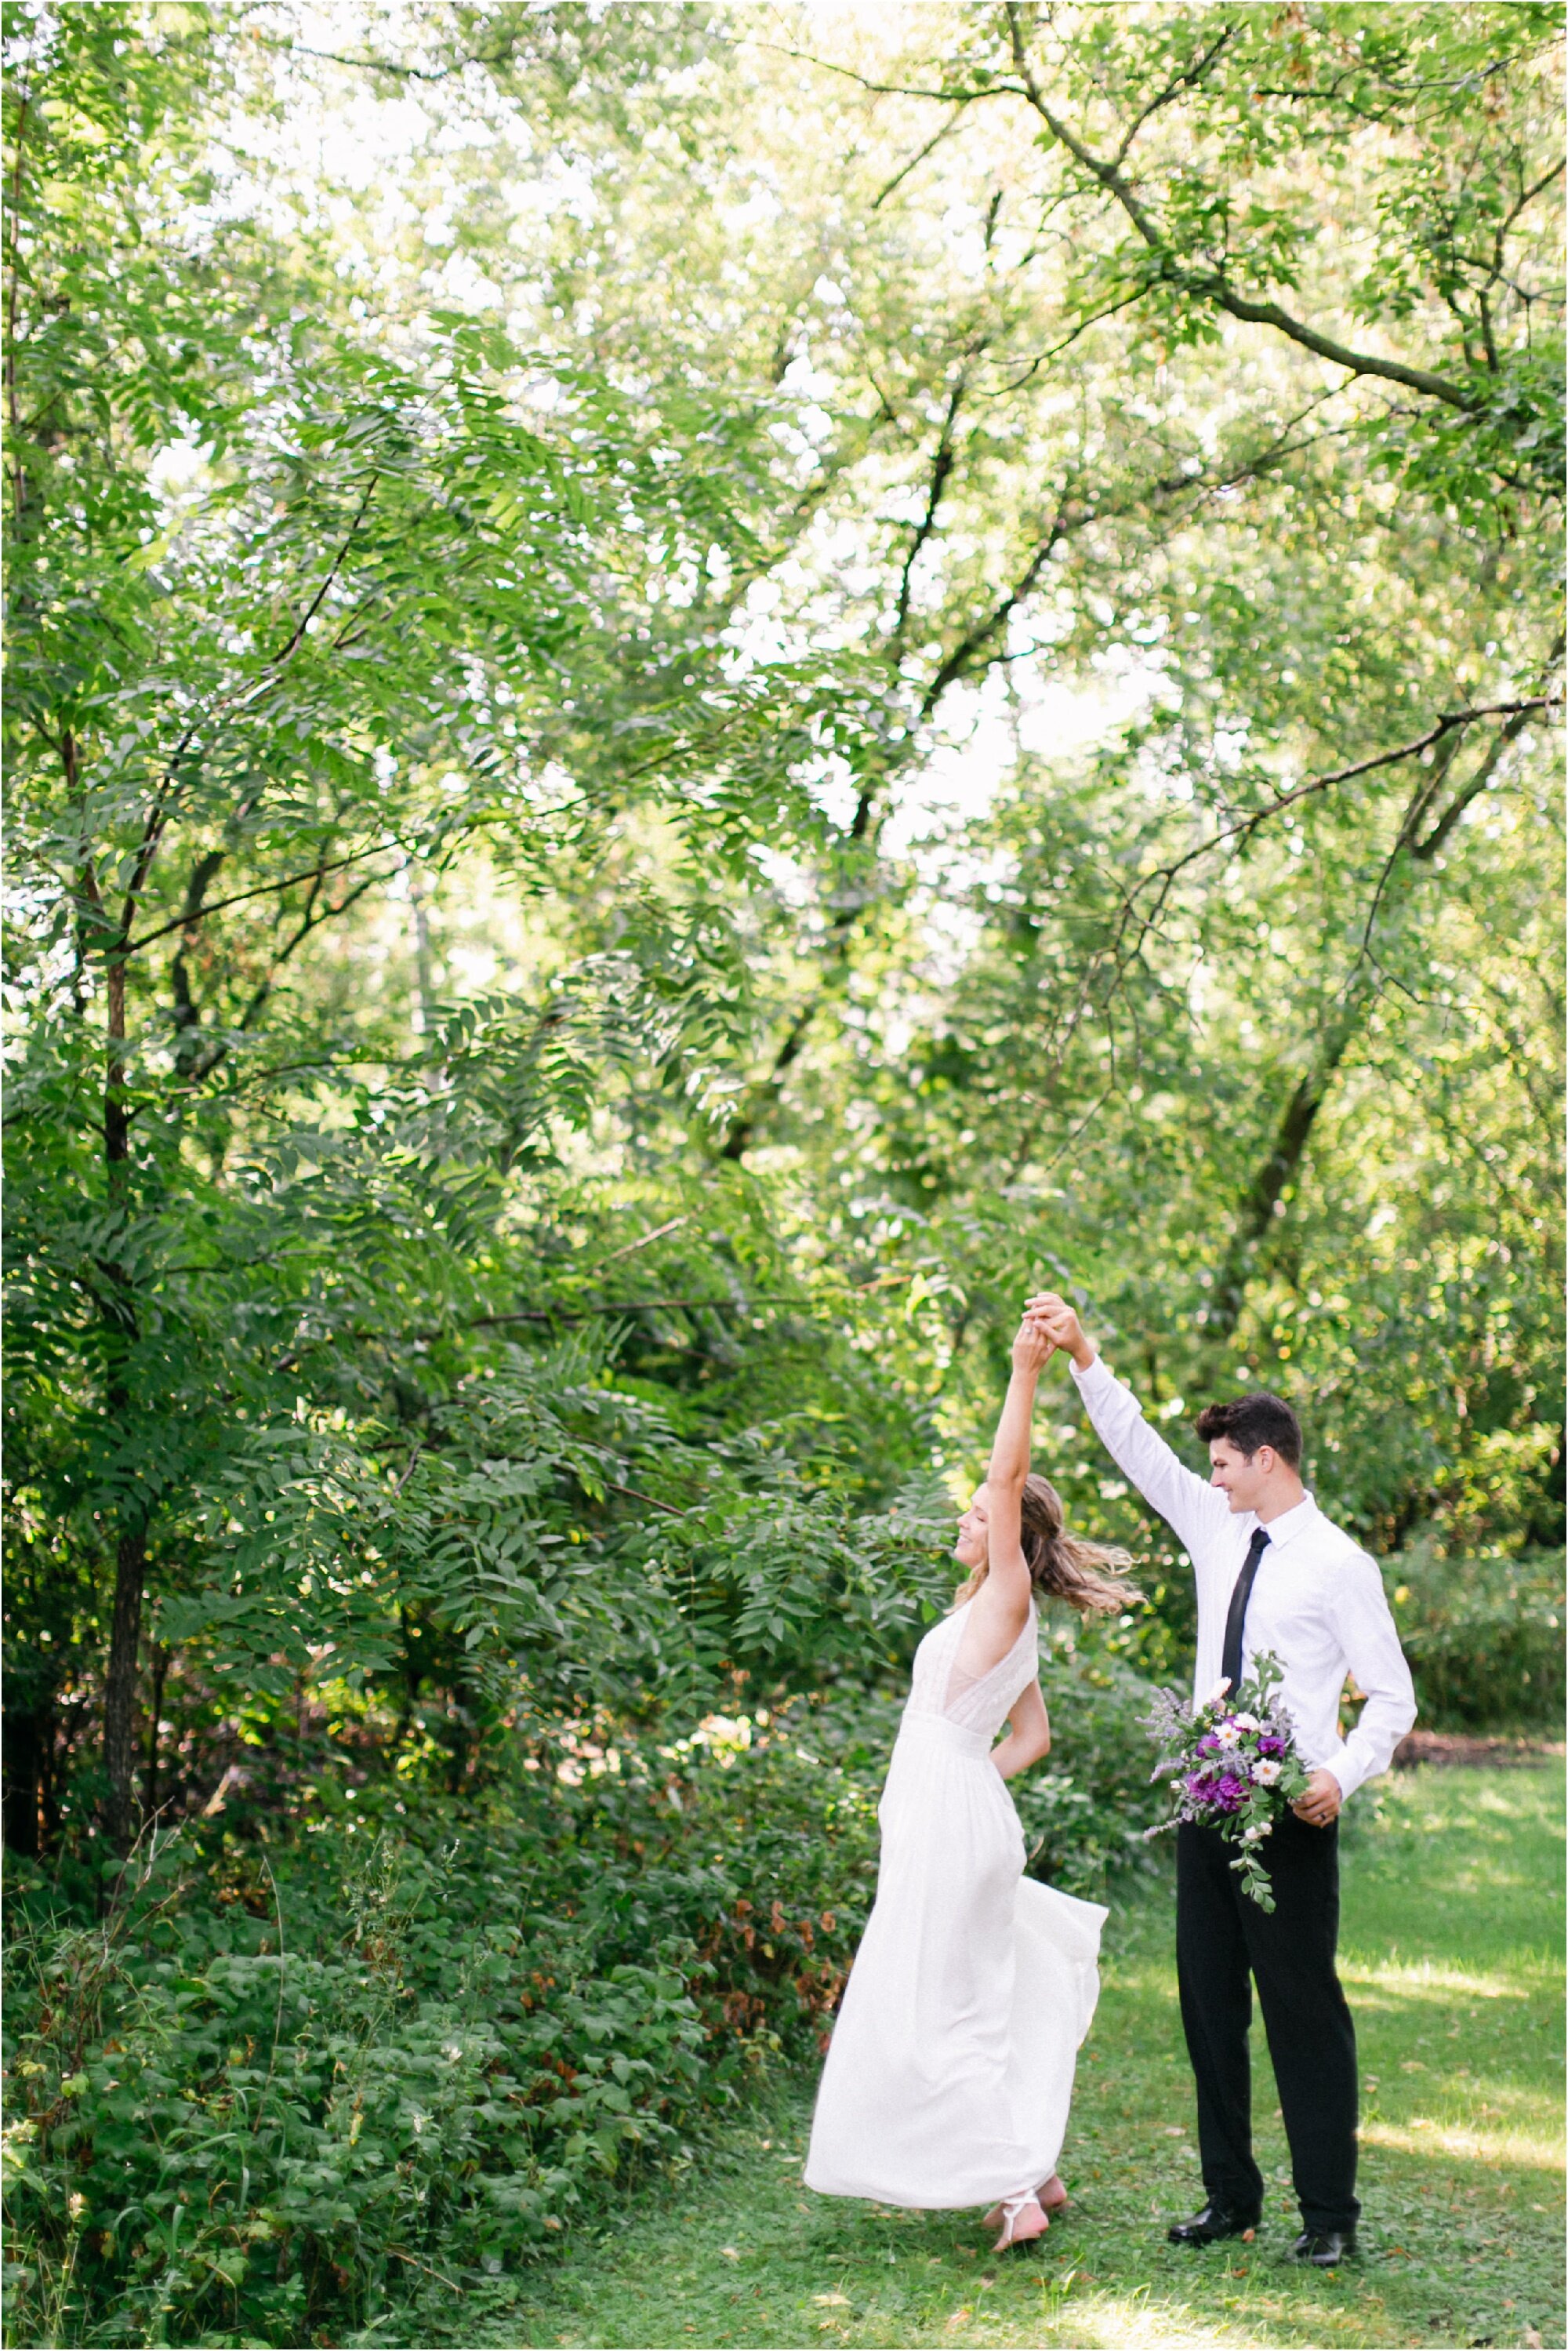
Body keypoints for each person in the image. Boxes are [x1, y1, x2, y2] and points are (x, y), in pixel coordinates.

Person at [1027, 1292, 1416, 2268]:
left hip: (1289, 1813)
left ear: (1266, 1461)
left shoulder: (1339, 1565)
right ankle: (1227, 2199)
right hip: (1204, 1803)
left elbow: (1393, 1701)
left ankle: (1328, 2214)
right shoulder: (1214, 1523)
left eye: (1224, 1462)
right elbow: (1137, 1449)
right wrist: (1083, 1355)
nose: (1210, 1476)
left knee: (1301, 2016)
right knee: (1207, 2006)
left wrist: (1336, 1771)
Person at [804, 1314, 1141, 2252]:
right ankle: (1035, 2170)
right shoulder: (989, 1616)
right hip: (955, 1810)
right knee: (976, 1988)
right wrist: (953, 1782)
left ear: (1005, 1533)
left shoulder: (1005, 1596)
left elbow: (1001, 1476)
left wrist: (1022, 1371)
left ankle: (1012, 2188)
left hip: (950, 1814)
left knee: (940, 2000)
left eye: (978, 1512)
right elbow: (1029, 1736)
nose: (965, 1515)